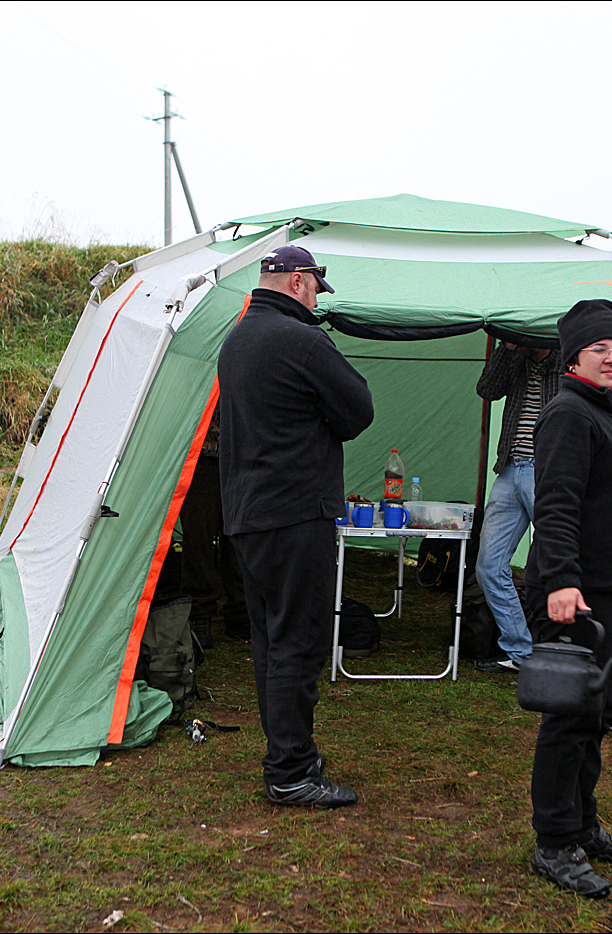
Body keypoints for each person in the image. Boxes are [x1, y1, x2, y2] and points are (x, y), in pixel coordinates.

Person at [218, 244, 374, 808]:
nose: (315, 301)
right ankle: (289, 771)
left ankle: (291, 752)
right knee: (297, 643)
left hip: (247, 514)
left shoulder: (237, 340)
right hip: (294, 513)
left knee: (269, 640)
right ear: (301, 283)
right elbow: (359, 409)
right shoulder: (303, 339)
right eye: (315, 289)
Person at [524, 299, 612, 898]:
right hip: (571, 592)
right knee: (569, 720)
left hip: (605, 586)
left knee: (597, 715)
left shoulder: (607, 412)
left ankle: (582, 825)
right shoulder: (567, 415)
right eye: (598, 349)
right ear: (574, 357)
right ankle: (555, 843)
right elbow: (556, 502)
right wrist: (560, 580)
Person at [473, 339, 560, 673]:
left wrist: (542, 351)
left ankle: (564, 651)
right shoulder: (515, 359)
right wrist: (509, 348)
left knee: (558, 563)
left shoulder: (564, 359)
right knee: (489, 566)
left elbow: (562, 375)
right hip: (510, 468)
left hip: (547, 471)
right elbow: (487, 389)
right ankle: (520, 652)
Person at [179, 405, 249, 648]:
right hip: (199, 454)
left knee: (240, 536)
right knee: (197, 537)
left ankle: (241, 611)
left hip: (244, 455)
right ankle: (200, 613)